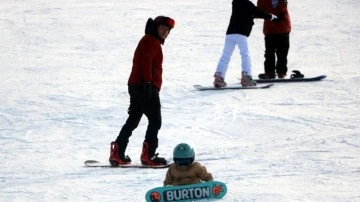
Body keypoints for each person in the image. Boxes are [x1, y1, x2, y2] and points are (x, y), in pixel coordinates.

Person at [109, 16, 175, 166]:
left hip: (136, 85)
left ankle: (117, 153)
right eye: (163, 29)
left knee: (133, 119)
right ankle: (149, 155)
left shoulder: (150, 40)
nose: (165, 32)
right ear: (156, 28)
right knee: (155, 121)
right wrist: (148, 82)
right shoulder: (151, 41)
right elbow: (146, 61)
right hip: (144, 86)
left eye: (167, 30)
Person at [213, 0, 278, 87]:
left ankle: (219, 77)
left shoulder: (236, 3)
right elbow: (257, 11)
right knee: (245, 55)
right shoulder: (247, 4)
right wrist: (271, 17)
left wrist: (257, 15)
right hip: (241, 33)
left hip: (230, 33)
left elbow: (253, 12)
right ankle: (246, 77)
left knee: (225, 56)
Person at [257, 0, 291, 79]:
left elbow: (283, 7)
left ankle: (281, 72)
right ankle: (269, 72)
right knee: (269, 53)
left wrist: (280, 15)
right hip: (270, 30)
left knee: (282, 53)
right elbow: (259, 10)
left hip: (283, 29)